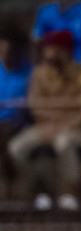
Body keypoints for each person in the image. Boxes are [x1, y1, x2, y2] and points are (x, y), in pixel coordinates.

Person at [8, 30, 81, 212]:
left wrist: (67, 123)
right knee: (16, 148)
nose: (48, 54)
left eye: (54, 49)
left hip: (74, 129)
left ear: (65, 50)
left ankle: (67, 194)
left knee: (63, 143)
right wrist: (56, 121)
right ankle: (39, 189)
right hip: (45, 127)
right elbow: (35, 106)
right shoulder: (40, 73)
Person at [0, 22, 33, 200]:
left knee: (8, 139)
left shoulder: (27, 71)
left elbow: (29, 105)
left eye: (12, 46)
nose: (7, 51)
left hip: (18, 125)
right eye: (4, 45)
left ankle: (16, 196)